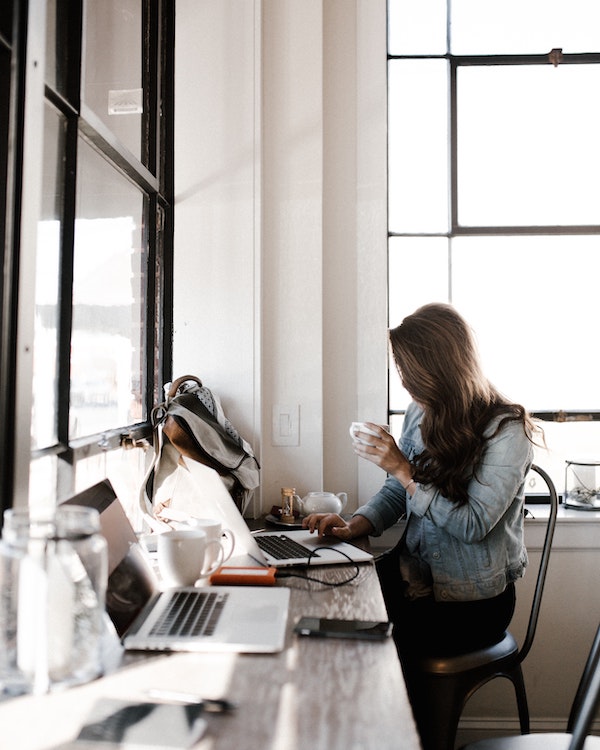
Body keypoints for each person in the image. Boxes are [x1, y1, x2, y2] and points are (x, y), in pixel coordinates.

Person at [302, 303, 541, 735]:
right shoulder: (421, 412)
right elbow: (398, 491)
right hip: (415, 574)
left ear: (439, 368)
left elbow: (471, 525)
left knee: (374, 646)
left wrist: (402, 469)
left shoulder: (508, 431)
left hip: (472, 603)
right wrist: (355, 525)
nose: (406, 385)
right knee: (323, 610)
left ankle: (398, 738)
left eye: (410, 373)